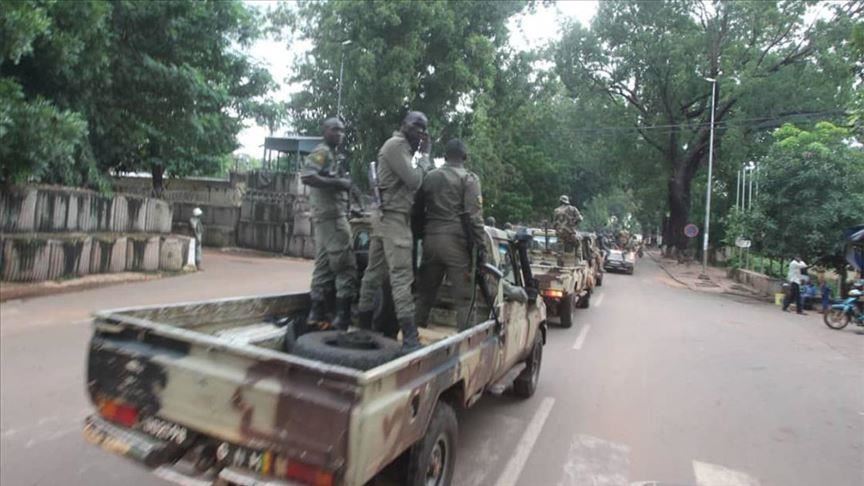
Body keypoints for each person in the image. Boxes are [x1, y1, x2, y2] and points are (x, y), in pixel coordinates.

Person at [356, 111, 433, 350]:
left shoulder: (402, 148)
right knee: (401, 277)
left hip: (386, 218)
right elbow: (414, 180)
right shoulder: (397, 145)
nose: (421, 132)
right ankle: (410, 336)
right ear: (403, 125)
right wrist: (425, 156)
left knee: (373, 273)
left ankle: (363, 327)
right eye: (416, 126)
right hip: (393, 219)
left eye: (424, 128)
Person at [414, 139, 484, 332]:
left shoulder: (429, 177)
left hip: (430, 239)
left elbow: (417, 210)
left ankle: (413, 336)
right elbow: (474, 218)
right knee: (464, 300)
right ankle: (466, 342)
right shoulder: (469, 179)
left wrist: (421, 235)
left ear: (445, 156)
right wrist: (481, 248)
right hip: (456, 244)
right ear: (465, 157)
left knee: (424, 296)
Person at [300, 117, 357, 330]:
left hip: (327, 217)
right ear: (324, 131)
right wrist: (338, 182)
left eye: (342, 130)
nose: (339, 134)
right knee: (346, 266)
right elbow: (307, 176)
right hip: (332, 218)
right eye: (335, 130)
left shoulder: (333, 155)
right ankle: (343, 319)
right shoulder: (322, 152)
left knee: (323, 266)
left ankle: (316, 313)